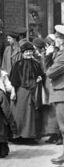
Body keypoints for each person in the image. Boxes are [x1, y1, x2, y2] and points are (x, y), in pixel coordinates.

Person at [10, 41, 44, 144]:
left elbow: (41, 75)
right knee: (20, 114)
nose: (29, 54)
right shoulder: (17, 64)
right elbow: (13, 79)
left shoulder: (37, 64)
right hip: (22, 91)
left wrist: (40, 78)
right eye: (27, 52)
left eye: (30, 51)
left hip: (34, 91)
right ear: (23, 53)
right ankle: (19, 136)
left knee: (32, 115)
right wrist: (13, 92)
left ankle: (30, 136)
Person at [47, 26, 64, 165]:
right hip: (60, 92)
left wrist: (47, 56)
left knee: (63, 127)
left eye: (56, 37)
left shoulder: (63, 55)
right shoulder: (60, 53)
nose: (55, 40)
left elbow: (50, 72)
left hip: (62, 93)